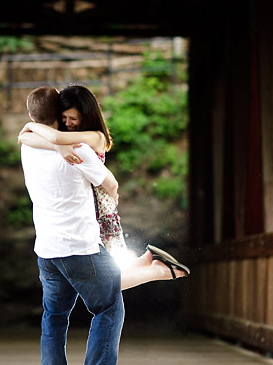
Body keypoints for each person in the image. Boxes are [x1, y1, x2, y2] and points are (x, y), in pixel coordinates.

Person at [20, 85, 132, 365]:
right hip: (80, 246)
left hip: (47, 250)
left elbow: (29, 135)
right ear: (59, 116)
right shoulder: (80, 150)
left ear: (32, 117)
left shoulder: (28, 146)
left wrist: (53, 144)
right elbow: (109, 183)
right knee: (109, 307)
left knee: (54, 319)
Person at [18, 84, 189, 289]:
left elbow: (52, 137)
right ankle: (147, 260)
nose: (68, 123)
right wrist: (45, 140)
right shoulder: (69, 138)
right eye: (64, 118)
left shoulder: (94, 137)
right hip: (87, 205)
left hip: (97, 210)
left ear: (86, 115)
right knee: (106, 273)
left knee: (103, 283)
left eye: (73, 119)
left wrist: (35, 129)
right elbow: (28, 138)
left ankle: (158, 271)